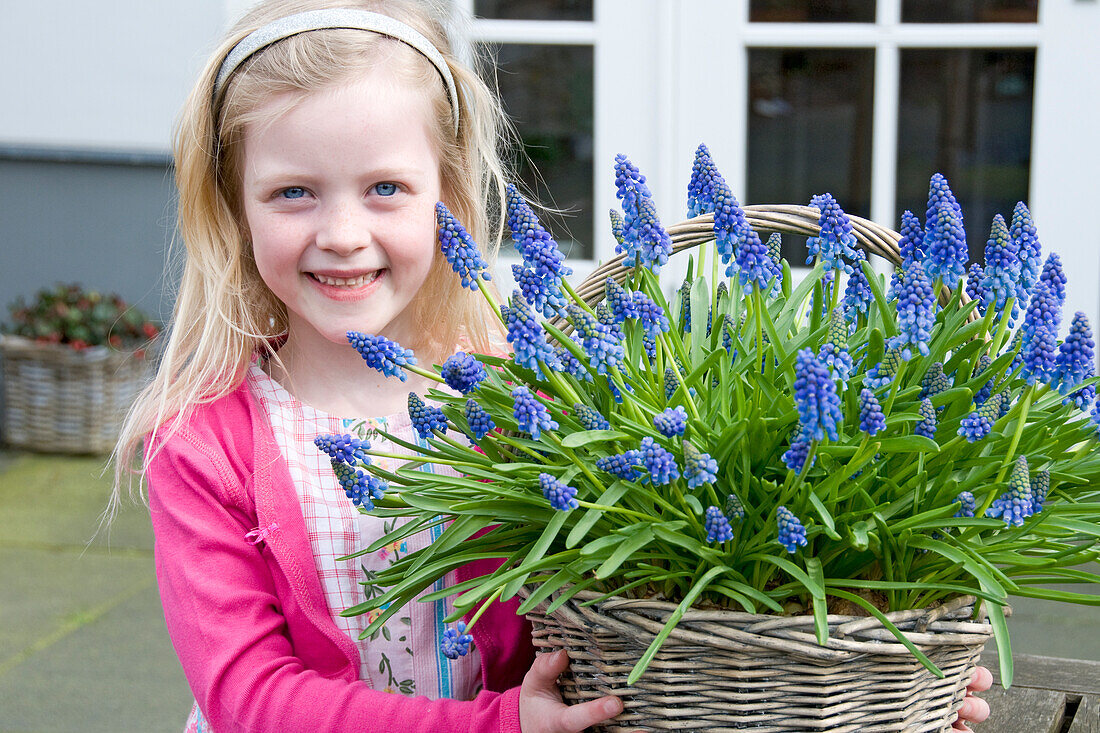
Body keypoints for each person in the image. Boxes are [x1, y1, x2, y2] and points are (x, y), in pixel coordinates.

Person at [111, 1, 992, 731]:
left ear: (448, 196)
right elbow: (249, 700)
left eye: (385, 187)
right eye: (293, 192)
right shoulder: (201, 442)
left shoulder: (527, 393)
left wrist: (887, 674)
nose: (342, 232)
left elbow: (648, 607)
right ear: (233, 208)